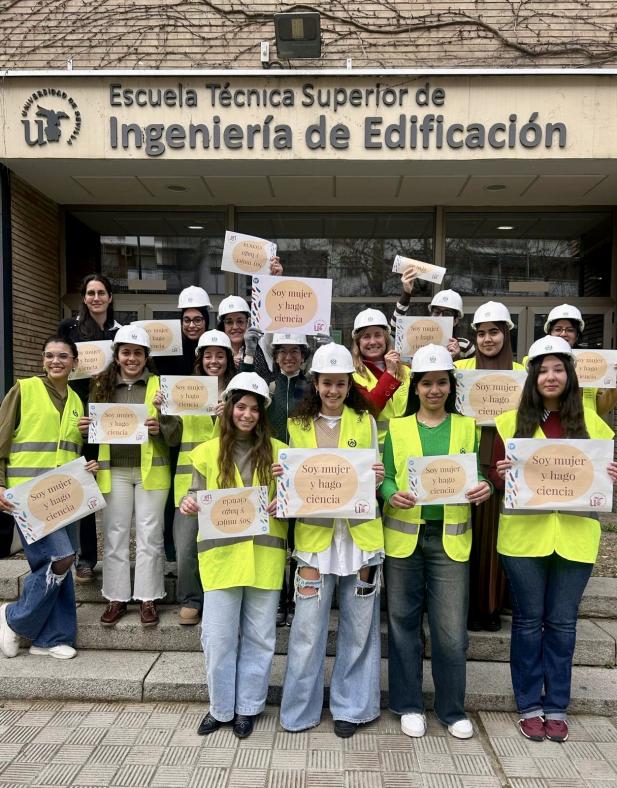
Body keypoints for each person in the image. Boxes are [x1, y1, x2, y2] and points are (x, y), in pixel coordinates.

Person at [490, 335, 617, 743]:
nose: (550, 376)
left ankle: (557, 705)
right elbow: (494, 476)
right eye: (543, 370)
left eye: (558, 369)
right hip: (524, 540)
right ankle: (529, 704)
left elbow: (602, 478)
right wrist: (501, 472)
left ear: (570, 375)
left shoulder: (595, 426)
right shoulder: (509, 422)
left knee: (562, 625)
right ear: (532, 377)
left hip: (576, 538)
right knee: (528, 623)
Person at [380, 344, 491, 740]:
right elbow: (387, 477)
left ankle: (451, 709)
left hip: (449, 542)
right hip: (405, 541)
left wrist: (485, 487)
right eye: (426, 383)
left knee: (450, 631)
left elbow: (481, 475)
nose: (434, 390)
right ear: (416, 387)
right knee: (403, 624)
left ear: (450, 385)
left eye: (441, 382)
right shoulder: (397, 427)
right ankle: (409, 704)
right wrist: (390, 492)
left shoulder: (467, 427)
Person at [278, 344, 385, 739]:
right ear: (316, 383)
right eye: (327, 383)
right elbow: (292, 480)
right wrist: (283, 476)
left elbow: (377, 470)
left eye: (341, 383)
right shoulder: (296, 425)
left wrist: (376, 475)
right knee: (307, 631)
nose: (334, 390)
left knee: (358, 630)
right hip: (314, 539)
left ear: (349, 384)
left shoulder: (365, 420)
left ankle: (351, 708)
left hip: (360, 537)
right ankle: (299, 711)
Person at [179, 372, 287, 740]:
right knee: (218, 637)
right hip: (222, 559)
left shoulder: (278, 451)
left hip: (263, 557)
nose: (247, 414)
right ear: (228, 408)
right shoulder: (205, 453)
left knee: (259, 638)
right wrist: (189, 501)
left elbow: (293, 500)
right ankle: (220, 708)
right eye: (241, 406)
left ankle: (248, 709)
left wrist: (283, 500)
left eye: (254, 409)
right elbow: (191, 495)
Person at [0, 335, 98, 660]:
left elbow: (68, 451)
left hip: (66, 498)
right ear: (43, 360)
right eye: (50, 356)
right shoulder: (23, 389)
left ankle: (51, 638)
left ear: (74, 362)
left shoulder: (76, 401)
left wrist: (88, 466)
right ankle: (13, 617)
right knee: (61, 558)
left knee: (58, 562)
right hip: (28, 497)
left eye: (63, 356)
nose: (55, 361)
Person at [86, 325, 181, 628]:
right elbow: (93, 431)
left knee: (150, 535)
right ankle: (116, 596)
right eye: (126, 352)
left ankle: (148, 597)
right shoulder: (100, 386)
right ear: (116, 356)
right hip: (114, 470)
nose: (131, 358)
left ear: (146, 357)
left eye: (137, 353)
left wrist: (161, 426)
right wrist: (85, 428)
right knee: (115, 534)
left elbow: (177, 432)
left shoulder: (160, 385)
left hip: (151, 471)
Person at [455, 302, 525, 632]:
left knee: (495, 539)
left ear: (506, 334)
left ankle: (491, 605)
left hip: (503, 463)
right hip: (465, 458)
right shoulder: (462, 367)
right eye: (481, 333)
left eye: (494, 332)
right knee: (465, 536)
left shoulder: (521, 371)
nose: (487, 339)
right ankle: (464, 605)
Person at [58, 273, 121, 584]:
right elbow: (61, 369)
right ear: (84, 298)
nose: (96, 298)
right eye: (90, 293)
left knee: (107, 482)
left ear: (110, 297)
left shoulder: (120, 331)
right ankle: (85, 557)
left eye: (101, 293)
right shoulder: (69, 329)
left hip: (112, 417)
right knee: (82, 482)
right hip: (80, 414)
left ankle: (115, 553)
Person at [169, 329, 234, 626]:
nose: (214, 360)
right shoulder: (186, 389)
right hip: (188, 483)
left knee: (221, 547)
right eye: (208, 355)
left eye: (220, 355)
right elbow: (171, 439)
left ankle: (218, 598)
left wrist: (228, 416)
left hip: (226, 484)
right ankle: (191, 599)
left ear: (228, 359)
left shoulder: (238, 392)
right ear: (200, 360)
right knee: (185, 548)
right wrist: (164, 412)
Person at [156, 285, 213, 563]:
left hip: (205, 435)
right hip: (175, 432)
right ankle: (172, 553)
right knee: (173, 497)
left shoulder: (215, 350)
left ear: (207, 320)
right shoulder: (167, 351)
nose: (192, 325)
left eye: (198, 319)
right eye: (187, 320)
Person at [351, 308, 410, 455]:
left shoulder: (407, 372)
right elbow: (371, 408)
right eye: (366, 337)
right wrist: (389, 373)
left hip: (406, 450)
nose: (372, 342)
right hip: (373, 454)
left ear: (386, 339)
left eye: (378, 335)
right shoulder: (351, 375)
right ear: (358, 343)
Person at [541, 304, 617, 416]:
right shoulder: (533, 363)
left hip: (584, 430)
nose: (563, 334)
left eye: (570, 330)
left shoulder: (590, 364)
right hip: (548, 428)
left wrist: (614, 387)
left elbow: (600, 410)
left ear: (577, 335)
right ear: (550, 333)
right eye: (558, 329)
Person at [391, 268, 475, 361]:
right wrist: (406, 294)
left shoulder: (465, 347)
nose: (440, 317)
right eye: (437, 312)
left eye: (447, 314)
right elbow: (396, 328)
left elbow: (472, 373)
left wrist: (457, 358)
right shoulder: (417, 340)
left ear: (455, 321)